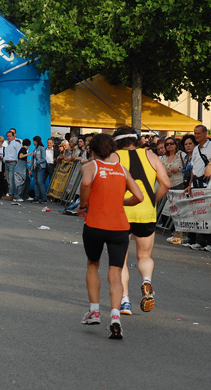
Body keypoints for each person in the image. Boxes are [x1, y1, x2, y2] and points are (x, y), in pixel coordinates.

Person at [78, 133, 144, 340]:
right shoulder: (122, 170)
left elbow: (86, 183)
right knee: (115, 273)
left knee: (92, 264)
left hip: (95, 225)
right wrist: (121, 203)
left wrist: (82, 205)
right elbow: (139, 197)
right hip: (119, 228)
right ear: (113, 150)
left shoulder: (90, 167)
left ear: (93, 150)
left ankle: (95, 310)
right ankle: (115, 318)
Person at [112, 126, 170, 315]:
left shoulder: (114, 158)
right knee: (144, 256)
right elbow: (166, 184)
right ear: (135, 140)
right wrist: (152, 202)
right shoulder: (151, 156)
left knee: (120, 259)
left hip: (121, 212)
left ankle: (125, 301)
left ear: (116, 142)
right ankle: (146, 281)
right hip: (145, 212)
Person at [183, 125, 211, 250]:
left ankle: (210, 242)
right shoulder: (196, 149)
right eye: (195, 133)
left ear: (205, 133)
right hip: (196, 183)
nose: (197, 136)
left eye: (199, 133)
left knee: (208, 213)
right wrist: (190, 185)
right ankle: (198, 240)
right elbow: (194, 168)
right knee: (197, 213)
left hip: (207, 183)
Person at [3, 131, 22, 201]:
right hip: (7, 162)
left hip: (12, 163)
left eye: (10, 136)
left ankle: (12, 194)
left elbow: (18, 154)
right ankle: (11, 193)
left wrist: (17, 163)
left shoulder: (16, 144)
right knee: (8, 179)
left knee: (11, 180)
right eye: (7, 136)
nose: (8, 137)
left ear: (14, 136)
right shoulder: (7, 144)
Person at [31, 136, 47, 203]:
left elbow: (43, 158)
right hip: (35, 168)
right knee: (36, 183)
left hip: (40, 167)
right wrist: (31, 167)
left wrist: (37, 163)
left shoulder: (42, 148)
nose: (33, 142)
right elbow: (33, 159)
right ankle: (36, 197)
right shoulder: (35, 149)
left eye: (34, 141)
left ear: (36, 141)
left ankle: (44, 198)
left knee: (40, 182)